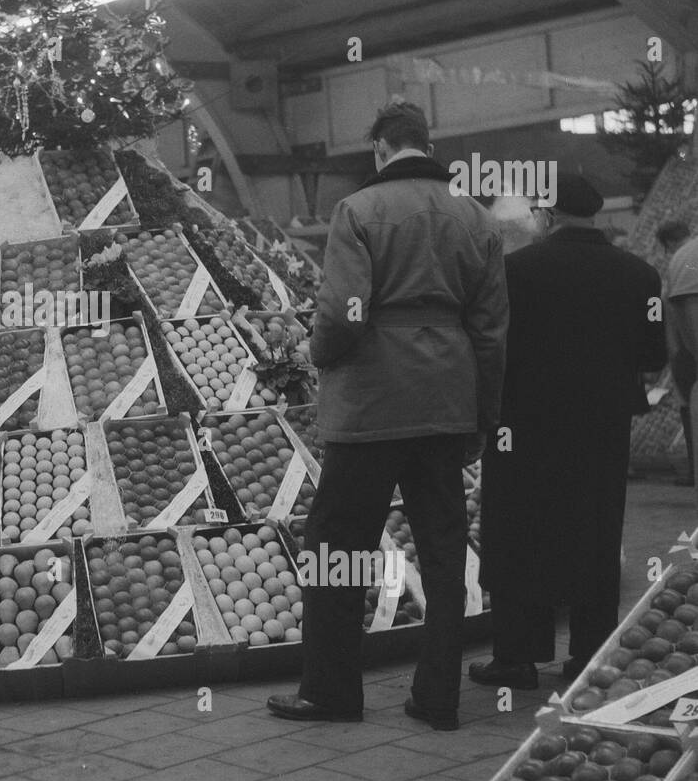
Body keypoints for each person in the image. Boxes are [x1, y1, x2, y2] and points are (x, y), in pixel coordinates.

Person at [266, 102, 508, 731]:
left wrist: (316, 353)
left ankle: (332, 691)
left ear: (379, 148)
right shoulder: (476, 216)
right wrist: (482, 414)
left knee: (335, 546)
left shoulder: (360, 210)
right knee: (444, 551)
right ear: (425, 144)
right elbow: (491, 332)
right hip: (446, 404)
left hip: (371, 406)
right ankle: (439, 697)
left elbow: (345, 312)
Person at [472, 177, 667, 690]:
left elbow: (490, 345)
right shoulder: (640, 274)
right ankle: (587, 656)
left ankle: (517, 658)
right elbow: (653, 356)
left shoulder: (514, 271)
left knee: (519, 530)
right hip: (600, 429)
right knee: (595, 532)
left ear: (547, 216)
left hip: (523, 426)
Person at [658, 218, 698, 487]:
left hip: (684, 351)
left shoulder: (683, 257)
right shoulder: (690, 256)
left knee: (689, 409)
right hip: (689, 351)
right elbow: (686, 303)